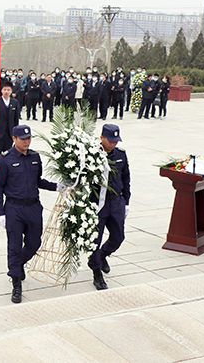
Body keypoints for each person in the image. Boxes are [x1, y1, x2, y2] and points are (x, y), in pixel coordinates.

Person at [0, 124, 64, 303]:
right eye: (23, 139)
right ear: (14, 139)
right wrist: (0, 212)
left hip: (33, 207)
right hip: (14, 209)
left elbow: (38, 180)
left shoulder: (34, 157)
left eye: (29, 138)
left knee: (34, 243)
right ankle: (16, 283)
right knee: (14, 247)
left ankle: (18, 264)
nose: (26, 141)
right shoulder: (4, 159)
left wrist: (57, 187)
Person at [88, 124, 131, 291]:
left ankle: (102, 255)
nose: (114, 144)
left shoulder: (121, 155)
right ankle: (96, 271)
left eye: (116, 141)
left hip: (116, 202)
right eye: (111, 141)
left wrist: (126, 201)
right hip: (98, 204)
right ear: (102, 138)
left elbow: (126, 178)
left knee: (118, 237)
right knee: (95, 239)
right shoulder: (92, 156)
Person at [0, 83, 19, 170]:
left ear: (11, 91)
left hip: (9, 135)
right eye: (4, 89)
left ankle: (6, 176)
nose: (6, 92)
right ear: (1, 90)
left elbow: (16, 120)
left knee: (8, 156)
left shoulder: (15, 102)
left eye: (8, 90)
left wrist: (16, 135)